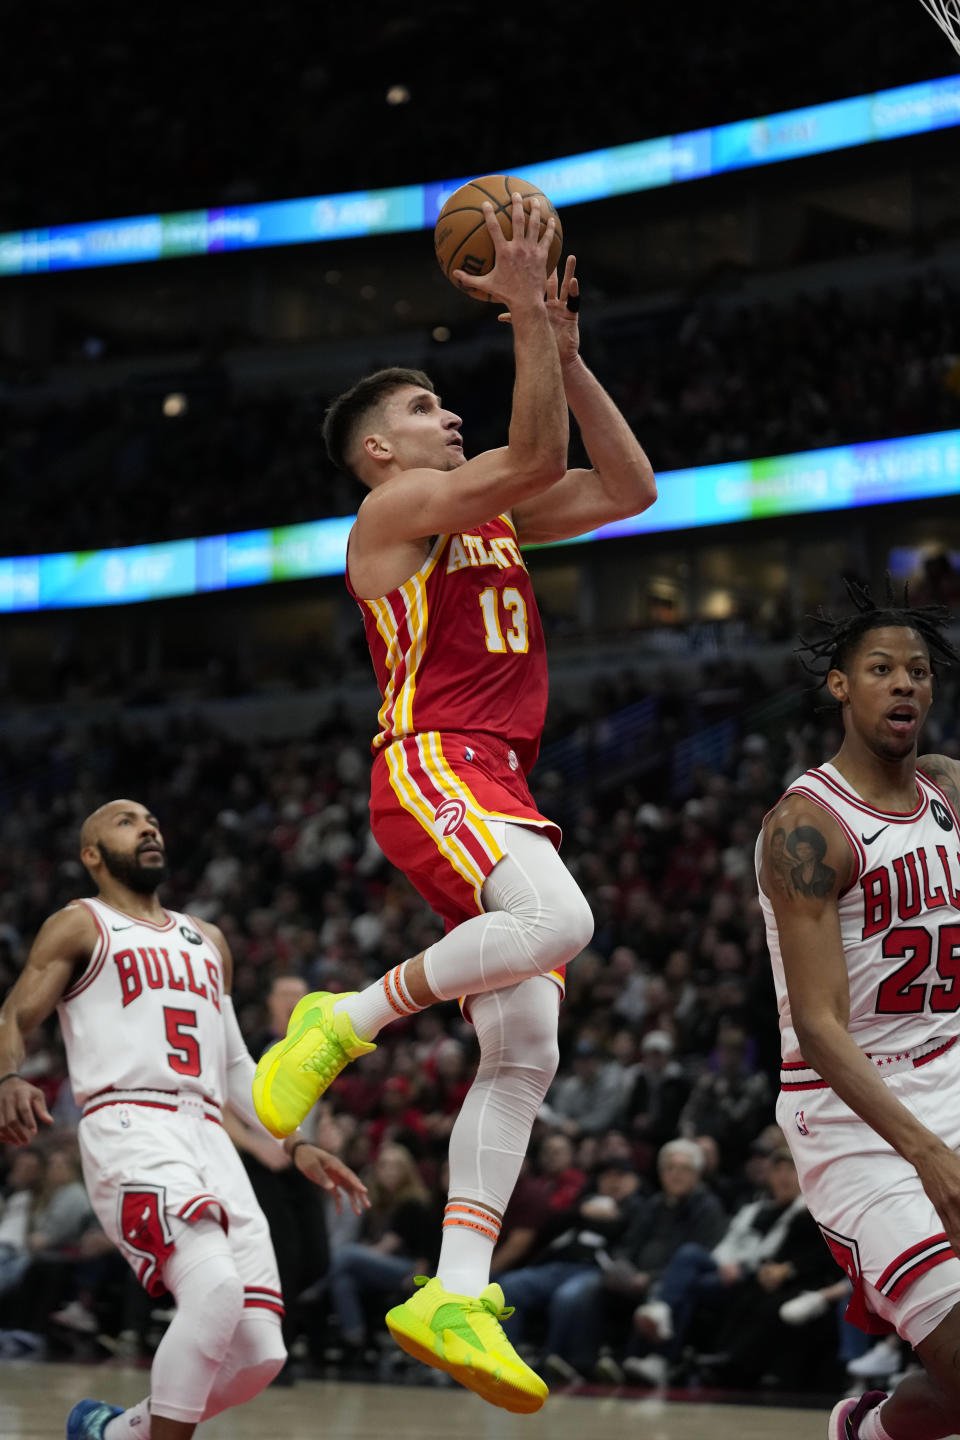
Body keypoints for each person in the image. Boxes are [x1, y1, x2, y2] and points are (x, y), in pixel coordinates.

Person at [253, 192, 657, 1411]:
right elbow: (534, 458)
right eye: (427, 408)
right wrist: (528, 311)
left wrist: (569, 355)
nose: (451, 411)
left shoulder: (497, 510)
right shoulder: (392, 513)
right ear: (380, 451)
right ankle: (343, 1018)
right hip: (434, 761)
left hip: (497, 776)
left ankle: (456, 1289)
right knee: (567, 922)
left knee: (524, 1048)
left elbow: (629, 485)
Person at [0, 799, 368, 1440]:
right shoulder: (79, 925)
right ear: (92, 855)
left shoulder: (209, 939)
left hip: (208, 1134)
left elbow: (234, 1065)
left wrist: (296, 1139)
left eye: (152, 821)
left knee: (260, 1355)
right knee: (215, 1291)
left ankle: (113, 1435)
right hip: (129, 1123)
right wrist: (8, 1076)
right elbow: (11, 1017)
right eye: (125, 822)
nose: (148, 827)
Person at [756, 580, 960, 1440]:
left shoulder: (950, 788)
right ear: (842, 685)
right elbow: (820, 1026)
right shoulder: (807, 828)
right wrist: (927, 1155)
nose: (904, 683)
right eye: (881, 668)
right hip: (854, 1112)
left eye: (918, 670)